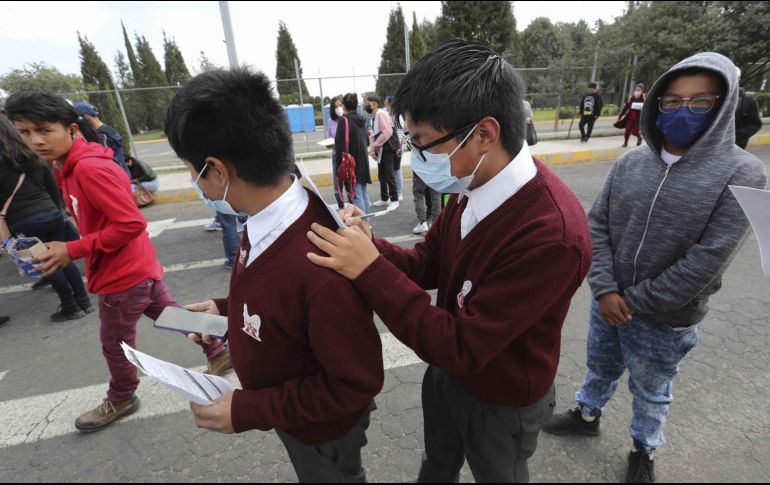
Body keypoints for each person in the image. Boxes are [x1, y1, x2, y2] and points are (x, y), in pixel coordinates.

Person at [306, 39, 592, 483]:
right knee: (437, 463)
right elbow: (427, 262)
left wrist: (369, 269)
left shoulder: (552, 235)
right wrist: (370, 245)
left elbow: (463, 346)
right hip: (448, 376)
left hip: (502, 397)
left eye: (423, 143)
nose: (416, 156)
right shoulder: (470, 186)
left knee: (499, 474)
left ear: (484, 134)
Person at [543, 53, 768, 484]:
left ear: (724, 106)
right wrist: (606, 289)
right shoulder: (632, 162)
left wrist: (629, 300)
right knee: (601, 365)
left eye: (700, 102)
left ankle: (643, 450)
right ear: (657, 104)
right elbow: (598, 225)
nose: (683, 111)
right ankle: (587, 415)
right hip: (608, 302)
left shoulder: (743, 172)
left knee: (651, 389)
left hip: (666, 318)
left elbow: (708, 259)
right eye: (672, 101)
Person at [165, 67, 384, 483]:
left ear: (217, 169)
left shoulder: (318, 264)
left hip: (323, 430)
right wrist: (226, 312)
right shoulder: (270, 213)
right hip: (296, 416)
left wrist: (251, 409)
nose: (193, 181)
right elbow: (275, 299)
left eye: (190, 170)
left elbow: (354, 384)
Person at [4, 92, 232, 433]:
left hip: (122, 276)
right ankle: (219, 347)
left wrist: (72, 249)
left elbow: (130, 223)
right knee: (171, 316)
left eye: (44, 130)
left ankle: (122, 396)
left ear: (72, 129)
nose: (35, 140)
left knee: (115, 346)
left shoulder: (88, 167)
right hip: (136, 268)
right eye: (24, 132)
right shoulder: (69, 164)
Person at [0, 114, 93, 322]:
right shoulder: (31, 154)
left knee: (44, 263)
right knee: (62, 257)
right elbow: (51, 184)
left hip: (21, 219)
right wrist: (57, 210)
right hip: (51, 212)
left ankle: (69, 305)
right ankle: (83, 301)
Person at [335, 93, 372, 214]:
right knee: (364, 194)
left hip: (351, 164)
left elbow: (340, 146)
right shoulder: (361, 120)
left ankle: (363, 225)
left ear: (344, 105)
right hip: (363, 161)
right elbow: (366, 141)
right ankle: (367, 224)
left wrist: (338, 167)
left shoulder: (343, 121)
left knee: (356, 196)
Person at [73, 102, 131, 177]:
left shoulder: (102, 135)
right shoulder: (108, 129)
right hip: (121, 173)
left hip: (114, 176)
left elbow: (106, 159)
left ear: (86, 117)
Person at [367, 95, 399, 211]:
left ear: (374, 104)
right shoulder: (373, 117)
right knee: (382, 174)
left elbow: (387, 132)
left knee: (390, 174)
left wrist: (375, 145)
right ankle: (384, 198)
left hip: (387, 148)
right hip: (381, 148)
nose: (367, 106)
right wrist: (373, 149)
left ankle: (394, 199)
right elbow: (372, 134)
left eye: (368, 103)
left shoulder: (381, 114)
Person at [326, 95, 348, 209]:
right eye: (336, 106)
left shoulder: (347, 119)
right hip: (336, 155)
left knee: (350, 181)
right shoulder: (330, 121)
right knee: (337, 182)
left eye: (340, 105)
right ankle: (341, 207)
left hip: (348, 155)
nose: (339, 108)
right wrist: (329, 144)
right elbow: (329, 137)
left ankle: (354, 207)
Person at [384, 96, 404, 201]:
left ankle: (399, 192)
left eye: (386, 100)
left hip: (398, 148)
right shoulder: (389, 115)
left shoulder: (397, 116)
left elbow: (401, 132)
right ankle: (396, 191)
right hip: (393, 147)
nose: (384, 102)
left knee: (397, 170)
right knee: (394, 171)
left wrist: (399, 147)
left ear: (389, 103)